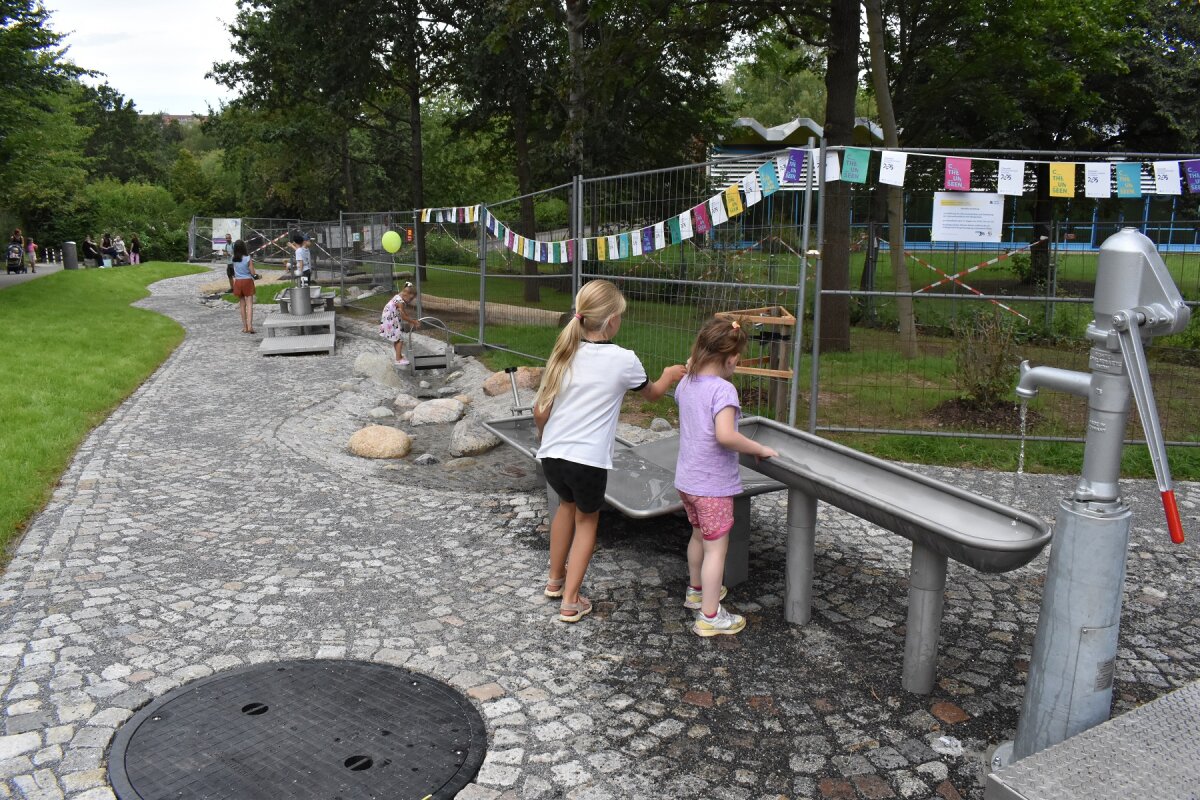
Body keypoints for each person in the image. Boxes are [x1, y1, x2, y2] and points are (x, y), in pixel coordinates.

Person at [533, 280, 687, 623]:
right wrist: (669, 375)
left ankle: (554, 581)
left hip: (553, 455)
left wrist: (547, 441)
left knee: (564, 509)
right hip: (587, 461)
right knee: (587, 521)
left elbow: (539, 411)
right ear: (612, 320)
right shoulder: (624, 360)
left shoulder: (564, 352)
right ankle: (571, 601)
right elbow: (652, 394)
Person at [674, 317, 778, 637]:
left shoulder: (686, 382)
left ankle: (695, 593)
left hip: (687, 481)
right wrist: (758, 447)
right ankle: (709, 616)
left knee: (697, 536)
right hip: (713, 485)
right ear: (731, 358)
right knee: (716, 549)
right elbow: (726, 436)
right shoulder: (724, 390)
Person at [379, 282, 421, 365]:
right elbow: (403, 316)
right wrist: (414, 322)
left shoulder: (398, 296)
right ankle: (398, 359)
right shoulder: (400, 302)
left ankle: (399, 356)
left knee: (397, 337)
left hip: (389, 319)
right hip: (391, 320)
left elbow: (404, 313)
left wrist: (410, 320)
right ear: (406, 294)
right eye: (411, 298)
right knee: (400, 338)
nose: (411, 301)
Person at [229, 240, 260, 333]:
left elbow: (233, 272)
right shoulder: (247, 258)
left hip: (238, 282)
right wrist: (258, 276)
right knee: (249, 304)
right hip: (247, 281)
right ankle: (250, 326)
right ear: (244, 248)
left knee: (242, 305)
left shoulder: (233, 259)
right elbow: (253, 273)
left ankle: (245, 327)